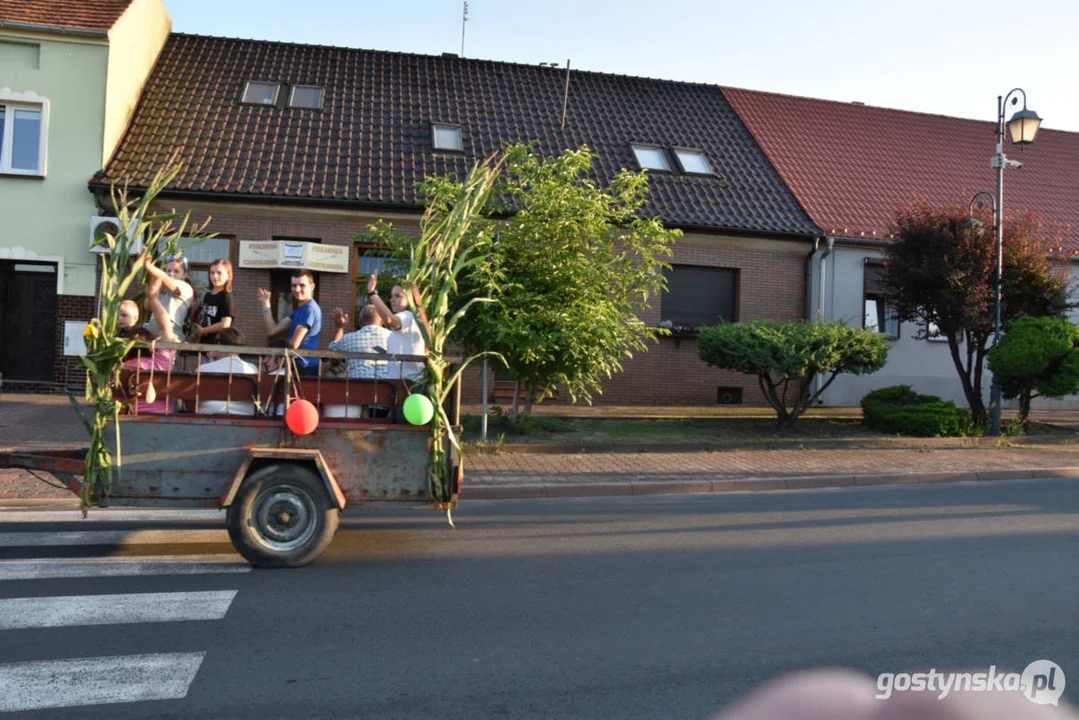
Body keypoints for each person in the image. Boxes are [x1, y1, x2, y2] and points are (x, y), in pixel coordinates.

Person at [119, 284, 179, 415]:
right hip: (162, 414)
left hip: (130, 415)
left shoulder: (123, 368)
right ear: (151, 344)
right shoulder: (161, 363)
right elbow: (166, 328)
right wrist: (152, 299)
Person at [324, 305, 391, 418]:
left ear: (360, 322)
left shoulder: (348, 339)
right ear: (381, 322)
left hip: (358, 399)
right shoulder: (392, 337)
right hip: (387, 400)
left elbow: (331, 351)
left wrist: (339, 327)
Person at [364, 270, 426, 382]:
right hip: (405, 382)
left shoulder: (407, 316)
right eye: (392, 296)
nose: (392, 300)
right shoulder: (412, 318)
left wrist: (372, 293)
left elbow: (389, 319)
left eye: (397, 296)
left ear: (410, 298)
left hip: (407, 383)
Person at [257, 269, 322, 376]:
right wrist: (266, 305)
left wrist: (274, 355)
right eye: (293, 285)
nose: (297, 289)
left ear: (312, 287)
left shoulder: (309, 309)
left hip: (305, 367)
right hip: (299, 366)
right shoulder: (299, 310)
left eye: (302, 285)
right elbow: (272, 331)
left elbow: (293, 344)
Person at [195, 327, 258, 415]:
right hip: (245, 414)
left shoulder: (204, 369)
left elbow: (191, 400)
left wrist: (212, 360)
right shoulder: (252, 368)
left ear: (219, 344)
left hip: (211, 413)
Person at [142, 255, 194, 341]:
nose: (171, 274)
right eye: (168, 270)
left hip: (171, 331)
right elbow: (147, 306)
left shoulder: (185, 287)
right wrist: (154, 292)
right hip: (153, 329)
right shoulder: (162, 287)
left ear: (185, 275)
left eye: (176, 271)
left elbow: (166, 279)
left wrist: (148, 266)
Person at [192, 258, 234, 345]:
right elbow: (203, 318)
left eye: (219, 273)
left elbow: (225, 324)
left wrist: (203, 330)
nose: (215, 276)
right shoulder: (207, 296)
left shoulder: (226, 297)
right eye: (212, 273)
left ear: (228, 276)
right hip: (204, 344)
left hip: (218, 346)